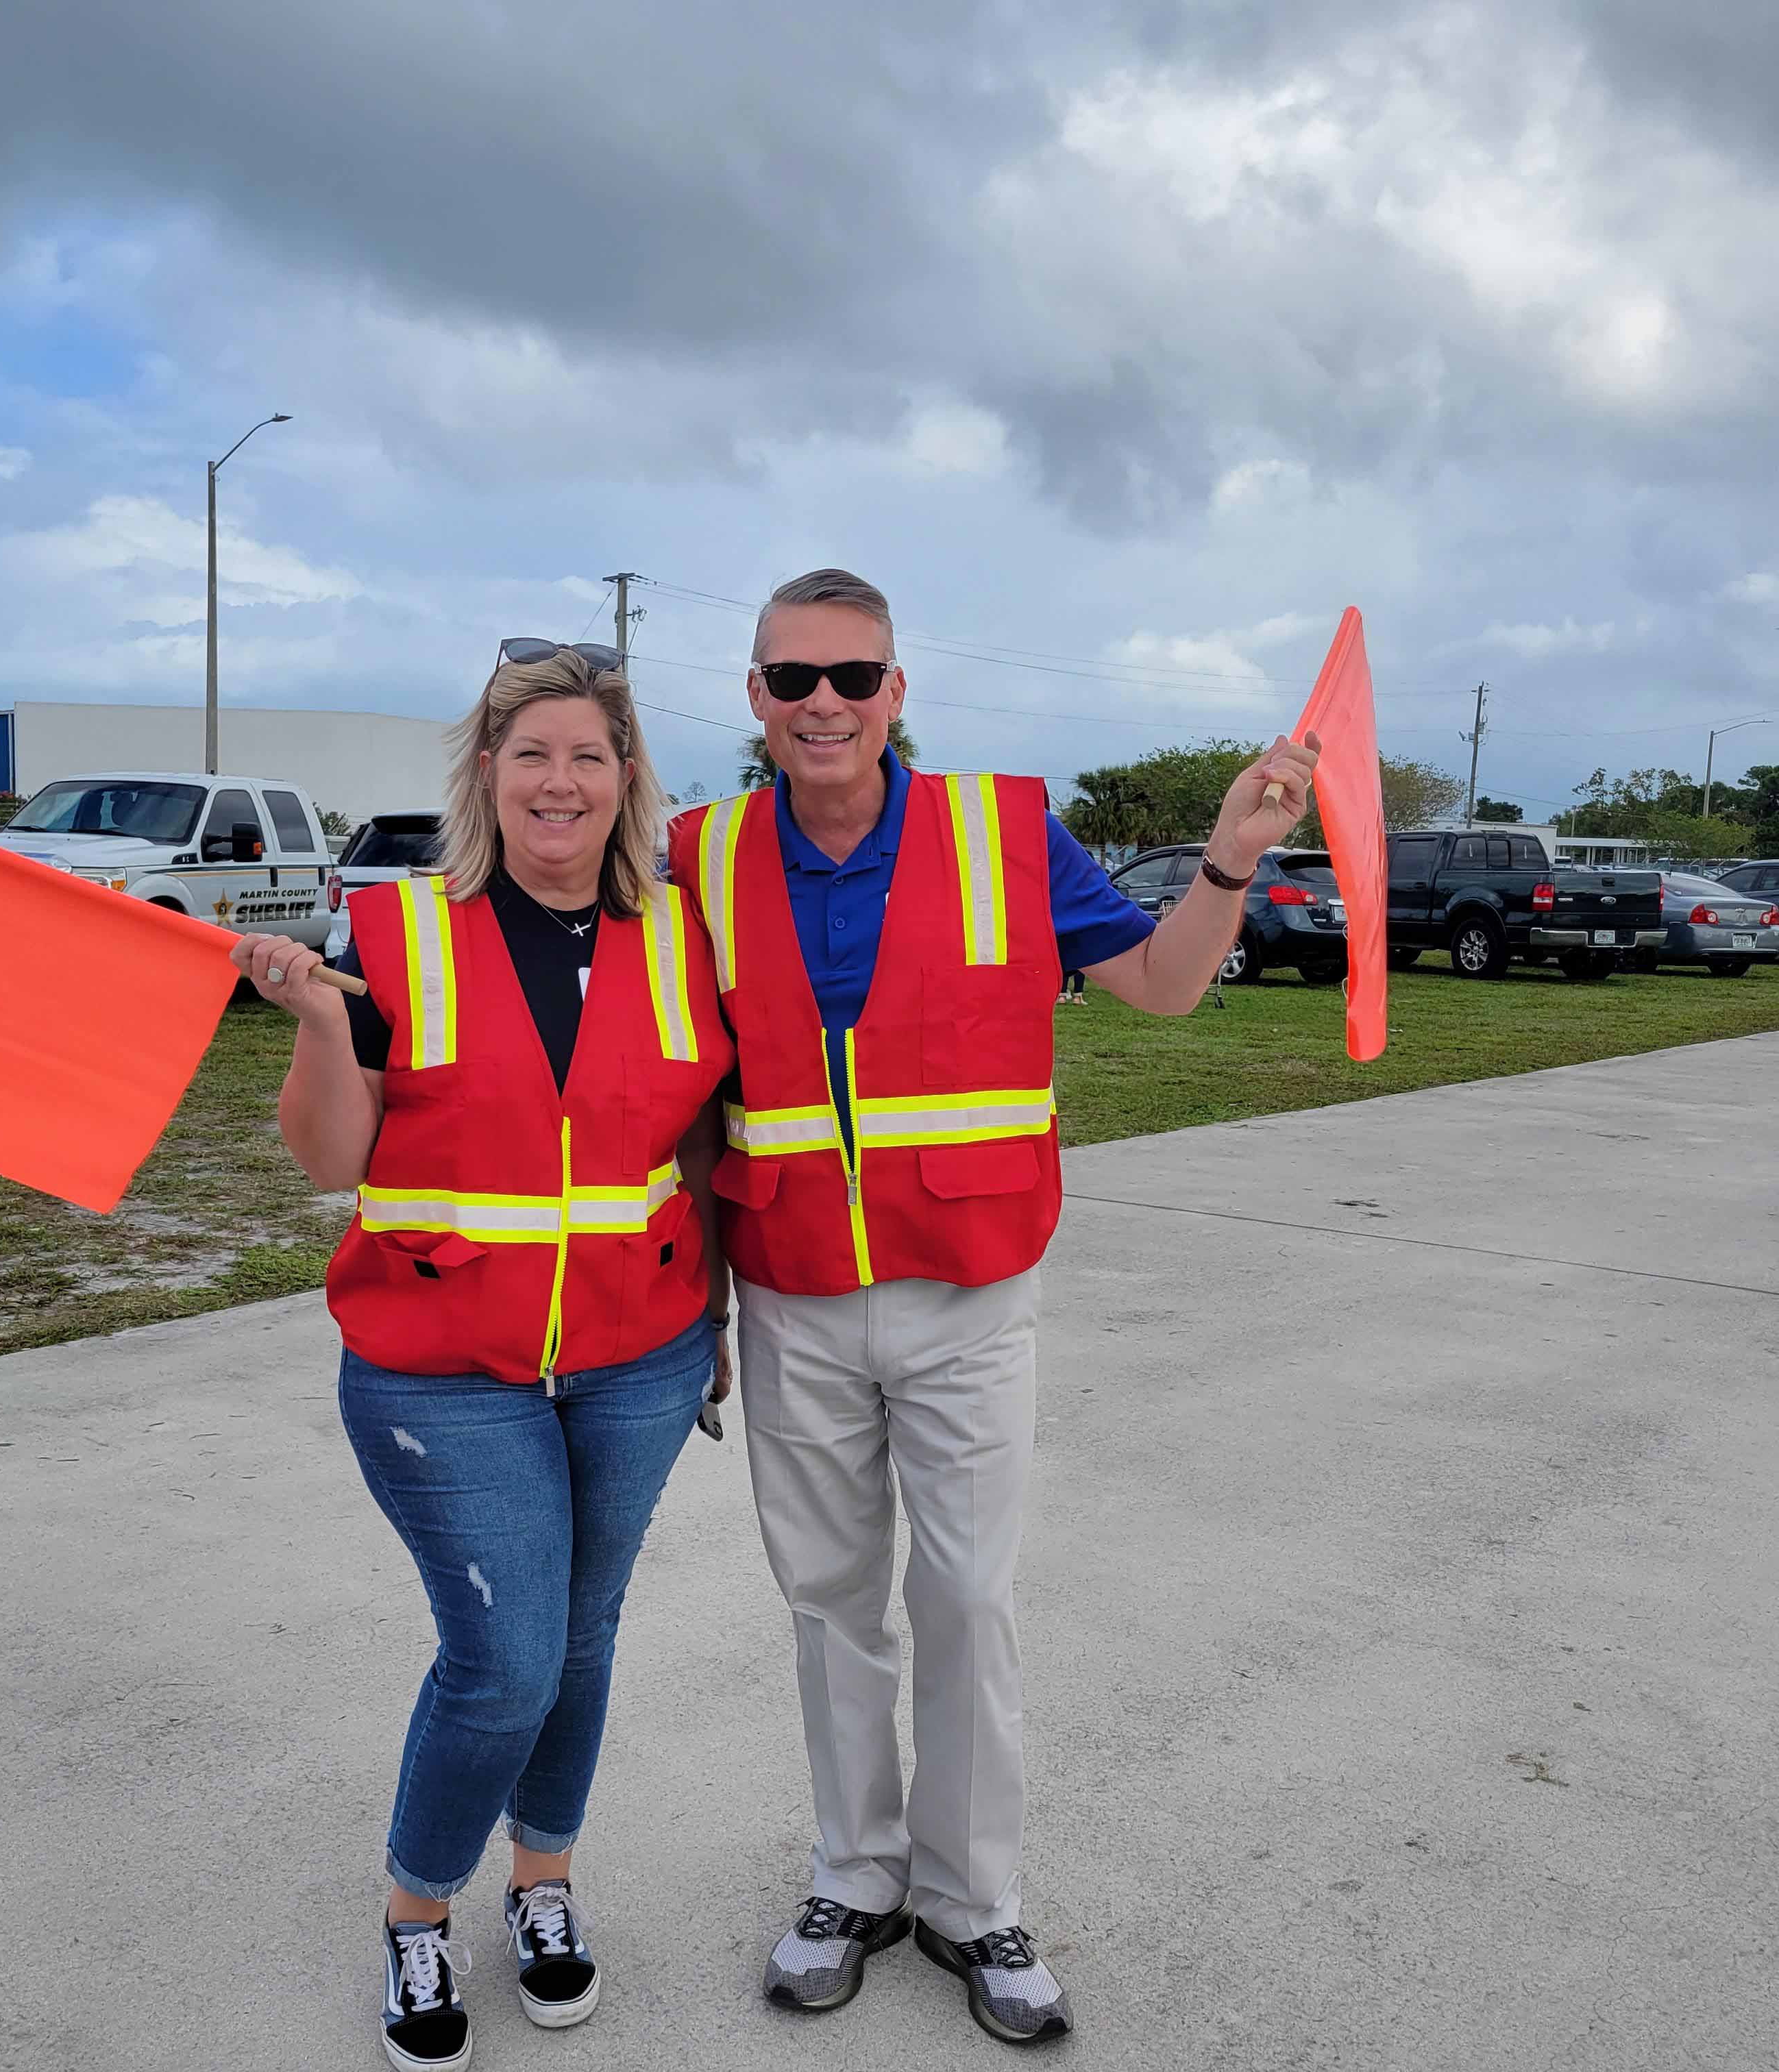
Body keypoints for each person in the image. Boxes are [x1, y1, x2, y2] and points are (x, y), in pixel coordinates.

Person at [669, 570, 1317, 2047]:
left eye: (853, 674)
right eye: (791, 680)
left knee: (964, 1601)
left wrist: (1224, 862)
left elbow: (1156, 989)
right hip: (792, 1293)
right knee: (832, 1608)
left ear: (899, 691)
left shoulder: (1005, 834)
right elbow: (692, 1101)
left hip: (969, 1292)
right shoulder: (695, 858)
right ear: (754, 699)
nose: (822, 702)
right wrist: (699, 1299)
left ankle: (971, 1901)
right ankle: (856, 1878)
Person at [234, 641, 735, 2072]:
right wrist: (322, 1025)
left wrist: (720, 1322)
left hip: (637, 1358)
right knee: (504, 1656)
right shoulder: (399, 934)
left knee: (580, 1638)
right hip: (438, 1365)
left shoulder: (683, 938)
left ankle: (547, 1884)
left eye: (588, 755)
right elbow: (333, 1157)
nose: (560, 782)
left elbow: (698, 1138)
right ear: (488, 776)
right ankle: (416, 1908)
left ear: (626, 778)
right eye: (532, 756)